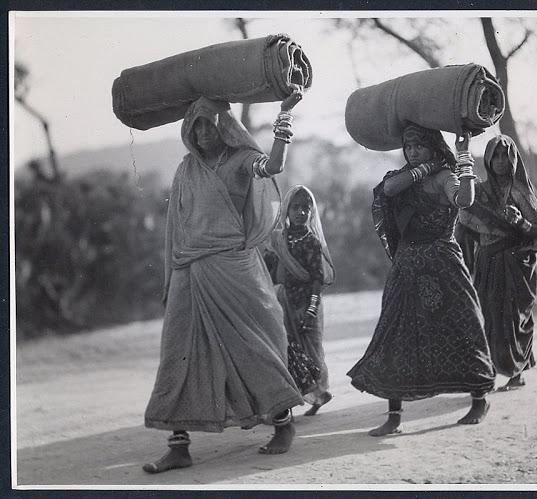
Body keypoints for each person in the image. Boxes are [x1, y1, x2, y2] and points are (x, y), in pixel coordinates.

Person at [142, 91, 304, 474]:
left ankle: (283, 423)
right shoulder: (186, 169)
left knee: (254, 348)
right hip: (190, 270)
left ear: (225, 126)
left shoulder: (242, 161)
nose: (201, 135)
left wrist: (284, 116)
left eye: (208, 126)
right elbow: (175, 228)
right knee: (176, 355)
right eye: (194, 128)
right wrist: (173, 276)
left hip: (235, 268)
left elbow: (275, 166)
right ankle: (178, 445)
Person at [347, 124, 496, 437]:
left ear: (433, 146)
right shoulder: (402, 178)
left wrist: (464, 157)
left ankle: (480, 399)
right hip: (407, 267)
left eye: (419, 146)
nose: (412, 151)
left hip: (443, 264)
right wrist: (423, 168)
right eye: (409, 146)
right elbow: (387, 191)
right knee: (395, 333)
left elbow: (464, 200)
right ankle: (394, 417)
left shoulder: (446, 177)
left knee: (464, 326)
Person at [457, 135, 537, 392]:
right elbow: (466, 224)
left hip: (514, 263)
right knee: (487, 316)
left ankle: (515, 372)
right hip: (487, 261)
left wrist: (520, 222)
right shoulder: (481, 191)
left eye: (504, 156)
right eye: (495, 155)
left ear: (513, 159)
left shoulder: (519, 191)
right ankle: (488, 372)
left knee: (512, 319)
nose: (500, 161)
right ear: (487, 159)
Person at [270, 185, 336, 416]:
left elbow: (317, 280)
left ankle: (319, 396)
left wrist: (310, 310)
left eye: (305, 208)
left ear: (311, 212)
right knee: (289, 351)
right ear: (286, 211)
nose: (301, 213)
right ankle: (291, 399)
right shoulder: (279, 240)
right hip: (285, 302)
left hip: (308, 303)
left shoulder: (312, 242)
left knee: (313, 351)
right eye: (295, 208)